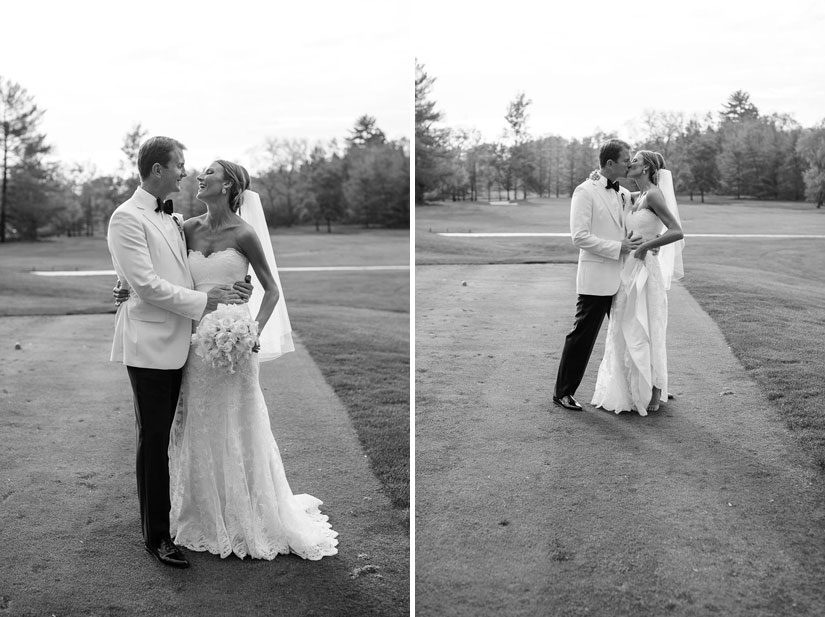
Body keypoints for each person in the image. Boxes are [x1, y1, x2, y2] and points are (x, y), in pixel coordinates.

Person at [166, 159, 338, 560]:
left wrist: (252, 331)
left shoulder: (244, 233)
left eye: (208, 173)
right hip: (194, 342)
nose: (199, 177)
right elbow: (163, 276)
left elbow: (272, 290)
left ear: (227, 185)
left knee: (239, 421)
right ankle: (203, 511)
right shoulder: (185, 228)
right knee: (197, 422)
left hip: (236, 345)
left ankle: (245, 512)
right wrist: (126, 289)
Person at [107, 137, 252, 568]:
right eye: (180, 166)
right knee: (153, 439)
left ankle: (174, 515)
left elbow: (182, 269)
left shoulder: (173, 219)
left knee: (168, 437)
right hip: (149, 345)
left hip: (182, 345)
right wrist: (204, 301)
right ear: (157, 171)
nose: (186, 172)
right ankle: (156, 538)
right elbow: (146, 284)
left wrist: (232, 290)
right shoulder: (126, 217)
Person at [552, 139, 643, 412]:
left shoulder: (623, 193)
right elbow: (579, 237)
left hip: (624, 277)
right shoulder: (585, 191)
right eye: (626, 159)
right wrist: (618, 247)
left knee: (631, 333)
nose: (630, 163)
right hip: (596, 278)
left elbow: (646, 197)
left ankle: (645, 388)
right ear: (610, 163)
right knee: (582, 336)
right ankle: (563, 392)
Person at [591, 151, 684, 415]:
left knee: (647, 325)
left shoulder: (654, 194)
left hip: (646, 269)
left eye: (636, 161)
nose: (630, 163)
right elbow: (613, 189)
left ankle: (655, 388)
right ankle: (631, 385)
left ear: (647, 168)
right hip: (628, 269)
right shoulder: (636, 195)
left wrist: (648, 247)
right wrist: (596, 176)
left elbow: (676, 231)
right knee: (626, 324)